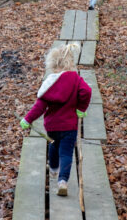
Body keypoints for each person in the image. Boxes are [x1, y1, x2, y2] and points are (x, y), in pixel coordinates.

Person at [19, 43, 92, 196]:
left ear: (52, 65)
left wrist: (27, 120)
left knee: (53, 145)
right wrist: (81, 108)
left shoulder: (49, 84)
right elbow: (86, 91)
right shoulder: (76, 79)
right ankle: (63, 181)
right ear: (70, 63)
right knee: (66, 153)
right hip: (70, 126)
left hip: (53, 126)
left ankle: (53, 168)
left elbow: (39, 106)